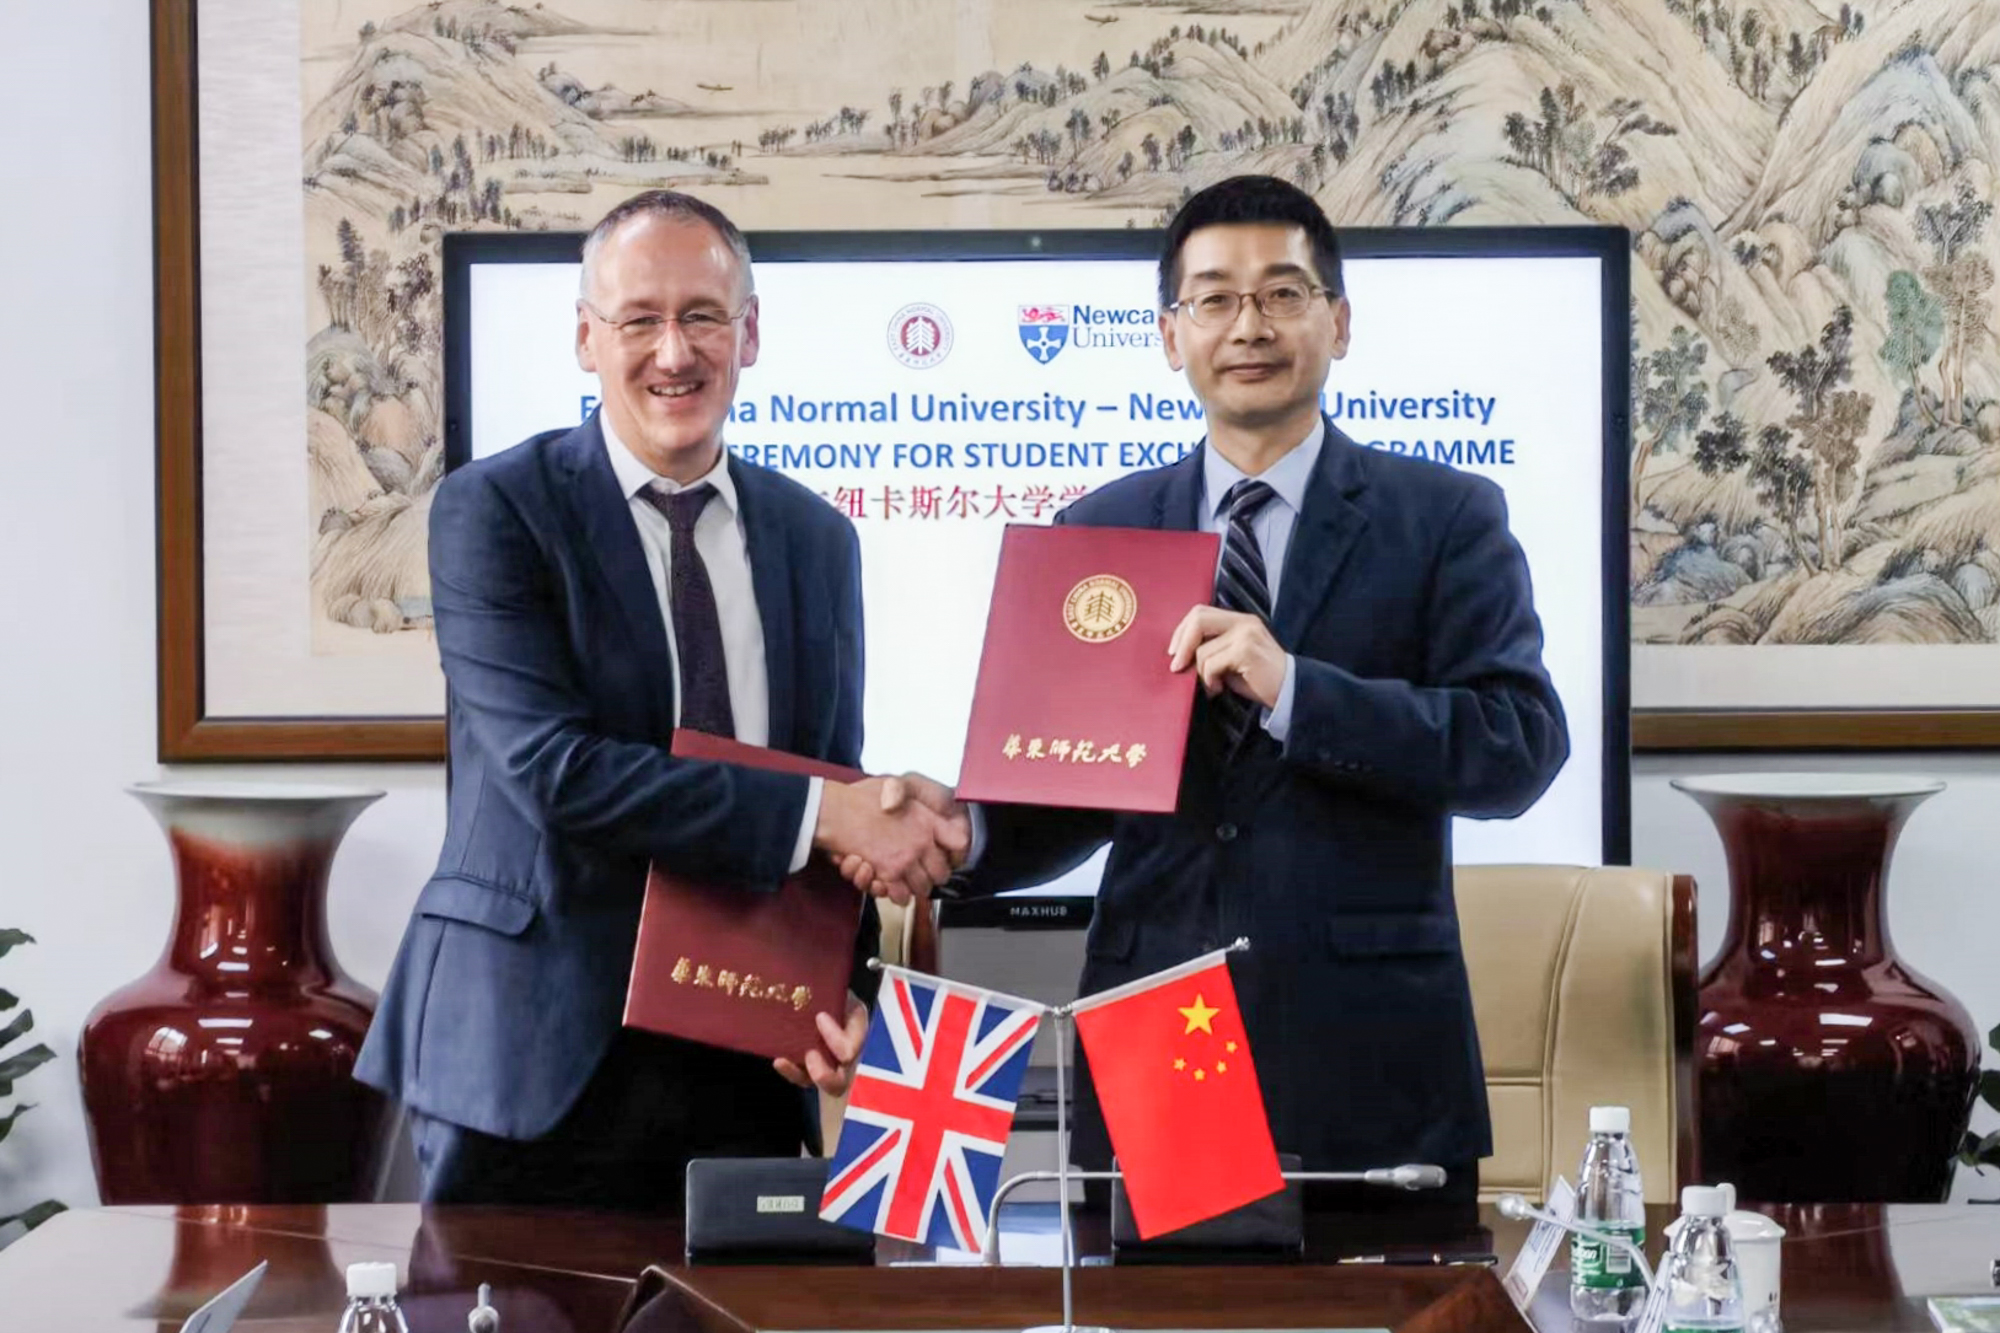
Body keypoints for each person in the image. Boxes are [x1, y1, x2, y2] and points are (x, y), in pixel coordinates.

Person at [855, 175, 1569, 1207]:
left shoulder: (1444, 516)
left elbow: (1517, 745)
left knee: (1387, 1296)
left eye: (1282, 293)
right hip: (1157, 1029)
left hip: (1368, 1047)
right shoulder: (1098, 529)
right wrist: (970, 830)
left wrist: (1295, 691)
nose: (1249, 326)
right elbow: (1081, 785)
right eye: (1215, 298)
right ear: (1168, 333)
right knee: (1170, 1298)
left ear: (1338, 321)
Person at [356, 190, 969, 1209]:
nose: (673, 353)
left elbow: (822, 780)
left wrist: (843, 994)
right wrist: (832, 811)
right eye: (639, 319)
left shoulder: (817, 539)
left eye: (702, 317)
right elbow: (554, 772)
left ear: (749, 334)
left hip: (744, 1050)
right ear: (586, 338)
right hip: (529, 1056)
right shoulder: (496, 510)